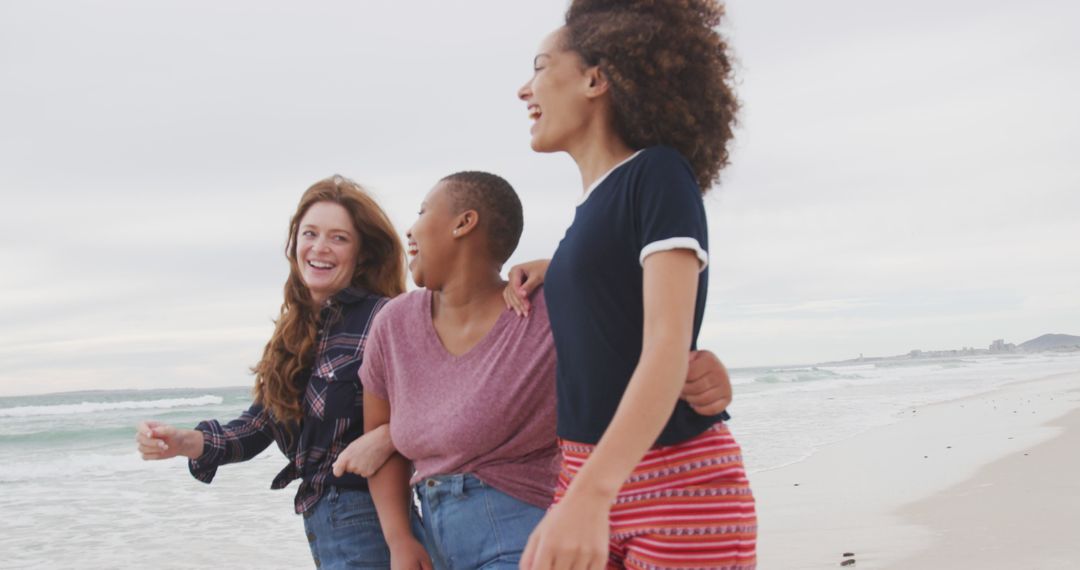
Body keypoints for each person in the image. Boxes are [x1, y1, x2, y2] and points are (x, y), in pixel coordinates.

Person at [338, 172, 736, 570]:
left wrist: (702, 367)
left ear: (464, 222)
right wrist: (400, 539)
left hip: (524, 536)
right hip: (437, 542)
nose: (410, 229)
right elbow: (380, 443)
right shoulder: (393, 325)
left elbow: (648, 339)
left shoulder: (545, 308)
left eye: (423, 211)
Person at [514, 1, 757, 568]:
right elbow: (611, 292)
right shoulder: (587, 218)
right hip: (582, 475)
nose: (524, 90)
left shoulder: (659, 174)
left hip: (675, 485)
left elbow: (666, 346)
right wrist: (553, 267)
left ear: (596, 79)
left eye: (541, 67)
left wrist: (591, 494)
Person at [135, 175, 412, 570]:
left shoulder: (385, 316)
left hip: (373, 518)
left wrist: (388, 436)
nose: (319, 248)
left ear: (362, 254)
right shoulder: (293, 336)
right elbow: (257, 427)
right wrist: (183, 442)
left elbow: (438, 402)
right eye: (310, 233)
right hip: (324, 523)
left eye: (339, 238)